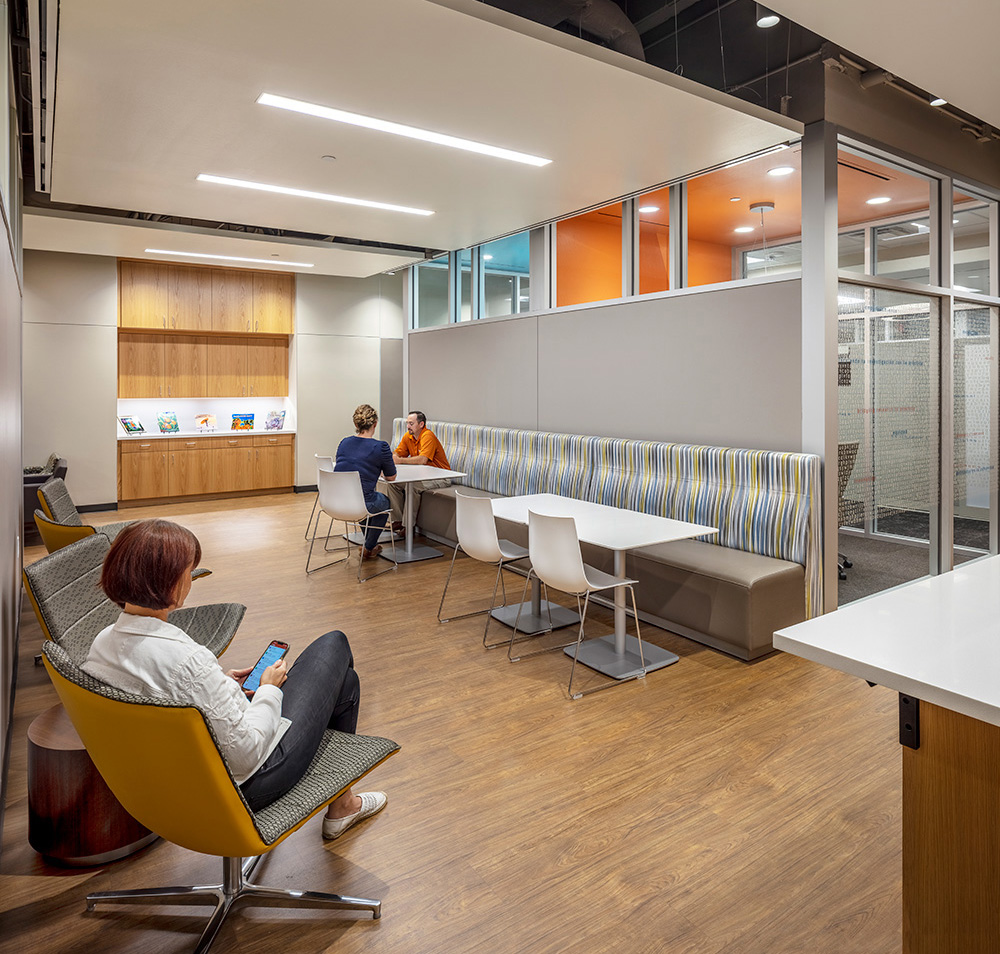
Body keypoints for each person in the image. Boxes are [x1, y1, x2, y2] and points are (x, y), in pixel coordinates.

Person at [82, 519, 387, 840]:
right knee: (334, 645)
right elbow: (247, 754)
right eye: (188, 571)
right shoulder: (186, 661)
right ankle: (344, 806)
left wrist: (220, 686)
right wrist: (268, 690)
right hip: (238, 788)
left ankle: (344, 803)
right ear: (169, 582)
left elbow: (159, 699)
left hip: (156, 786)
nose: (190, 580)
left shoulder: (103, 643)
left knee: (346, 683)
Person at [334, 404, 397, 560]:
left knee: (366, 497)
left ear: (356, 424)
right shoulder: (380, 447)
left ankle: (370, 545)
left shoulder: (344, 442)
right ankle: (369, 547)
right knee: (383, 502)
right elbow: (391, 477)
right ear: (375, 424)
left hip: (336, 501)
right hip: (360, 503)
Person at [387, 410, 452, 534]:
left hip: (441, 476)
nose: (408, 426)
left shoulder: (428, 436)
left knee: (413, 487)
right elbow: (397, 453)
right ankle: (397, 521)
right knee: (393, 483)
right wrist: (395, 456)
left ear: (421, 424)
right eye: (407, 423)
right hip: (423, 476)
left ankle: (408, 527)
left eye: (411, 423)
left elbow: (422, 460)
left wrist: (399, 460)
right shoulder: (408, 436)